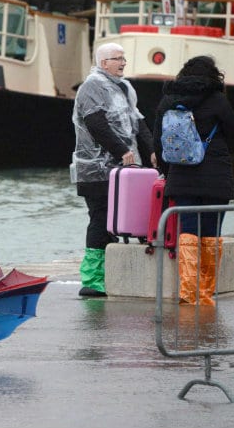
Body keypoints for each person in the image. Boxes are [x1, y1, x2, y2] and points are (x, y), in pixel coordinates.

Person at [153, 56, 234, 306]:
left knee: (188, 233)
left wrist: (167, 172)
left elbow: (159, 142)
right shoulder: (217, 100)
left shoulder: (168, 100)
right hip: (216, 177)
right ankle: (205, 293)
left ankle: (188, 292)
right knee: (211, 235)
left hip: (181, 176)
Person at [71, 43, 156, 298]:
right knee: (100, 216)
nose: (122, 62)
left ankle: (114, 274)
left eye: (123, 58)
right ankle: (93, 279)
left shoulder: (125, 87)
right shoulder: (91, 87)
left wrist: (152, 149)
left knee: (125, 217)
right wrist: (121, 150)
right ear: (103, 62)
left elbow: (138, 121)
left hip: (125, 168)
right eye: (116, 59)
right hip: (96, 170)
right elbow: (95, 123)